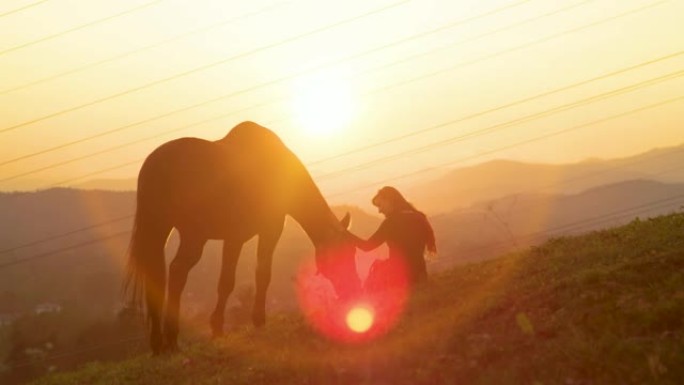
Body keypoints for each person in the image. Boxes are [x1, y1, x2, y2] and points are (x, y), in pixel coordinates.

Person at [349, 186, 437, 289]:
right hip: (420, 275)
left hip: (399, 279)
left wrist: (345, 234)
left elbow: (367, 246)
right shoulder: (419, 217)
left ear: (389, 201)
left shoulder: (391, 223)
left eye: (380, 205)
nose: (379, 211)